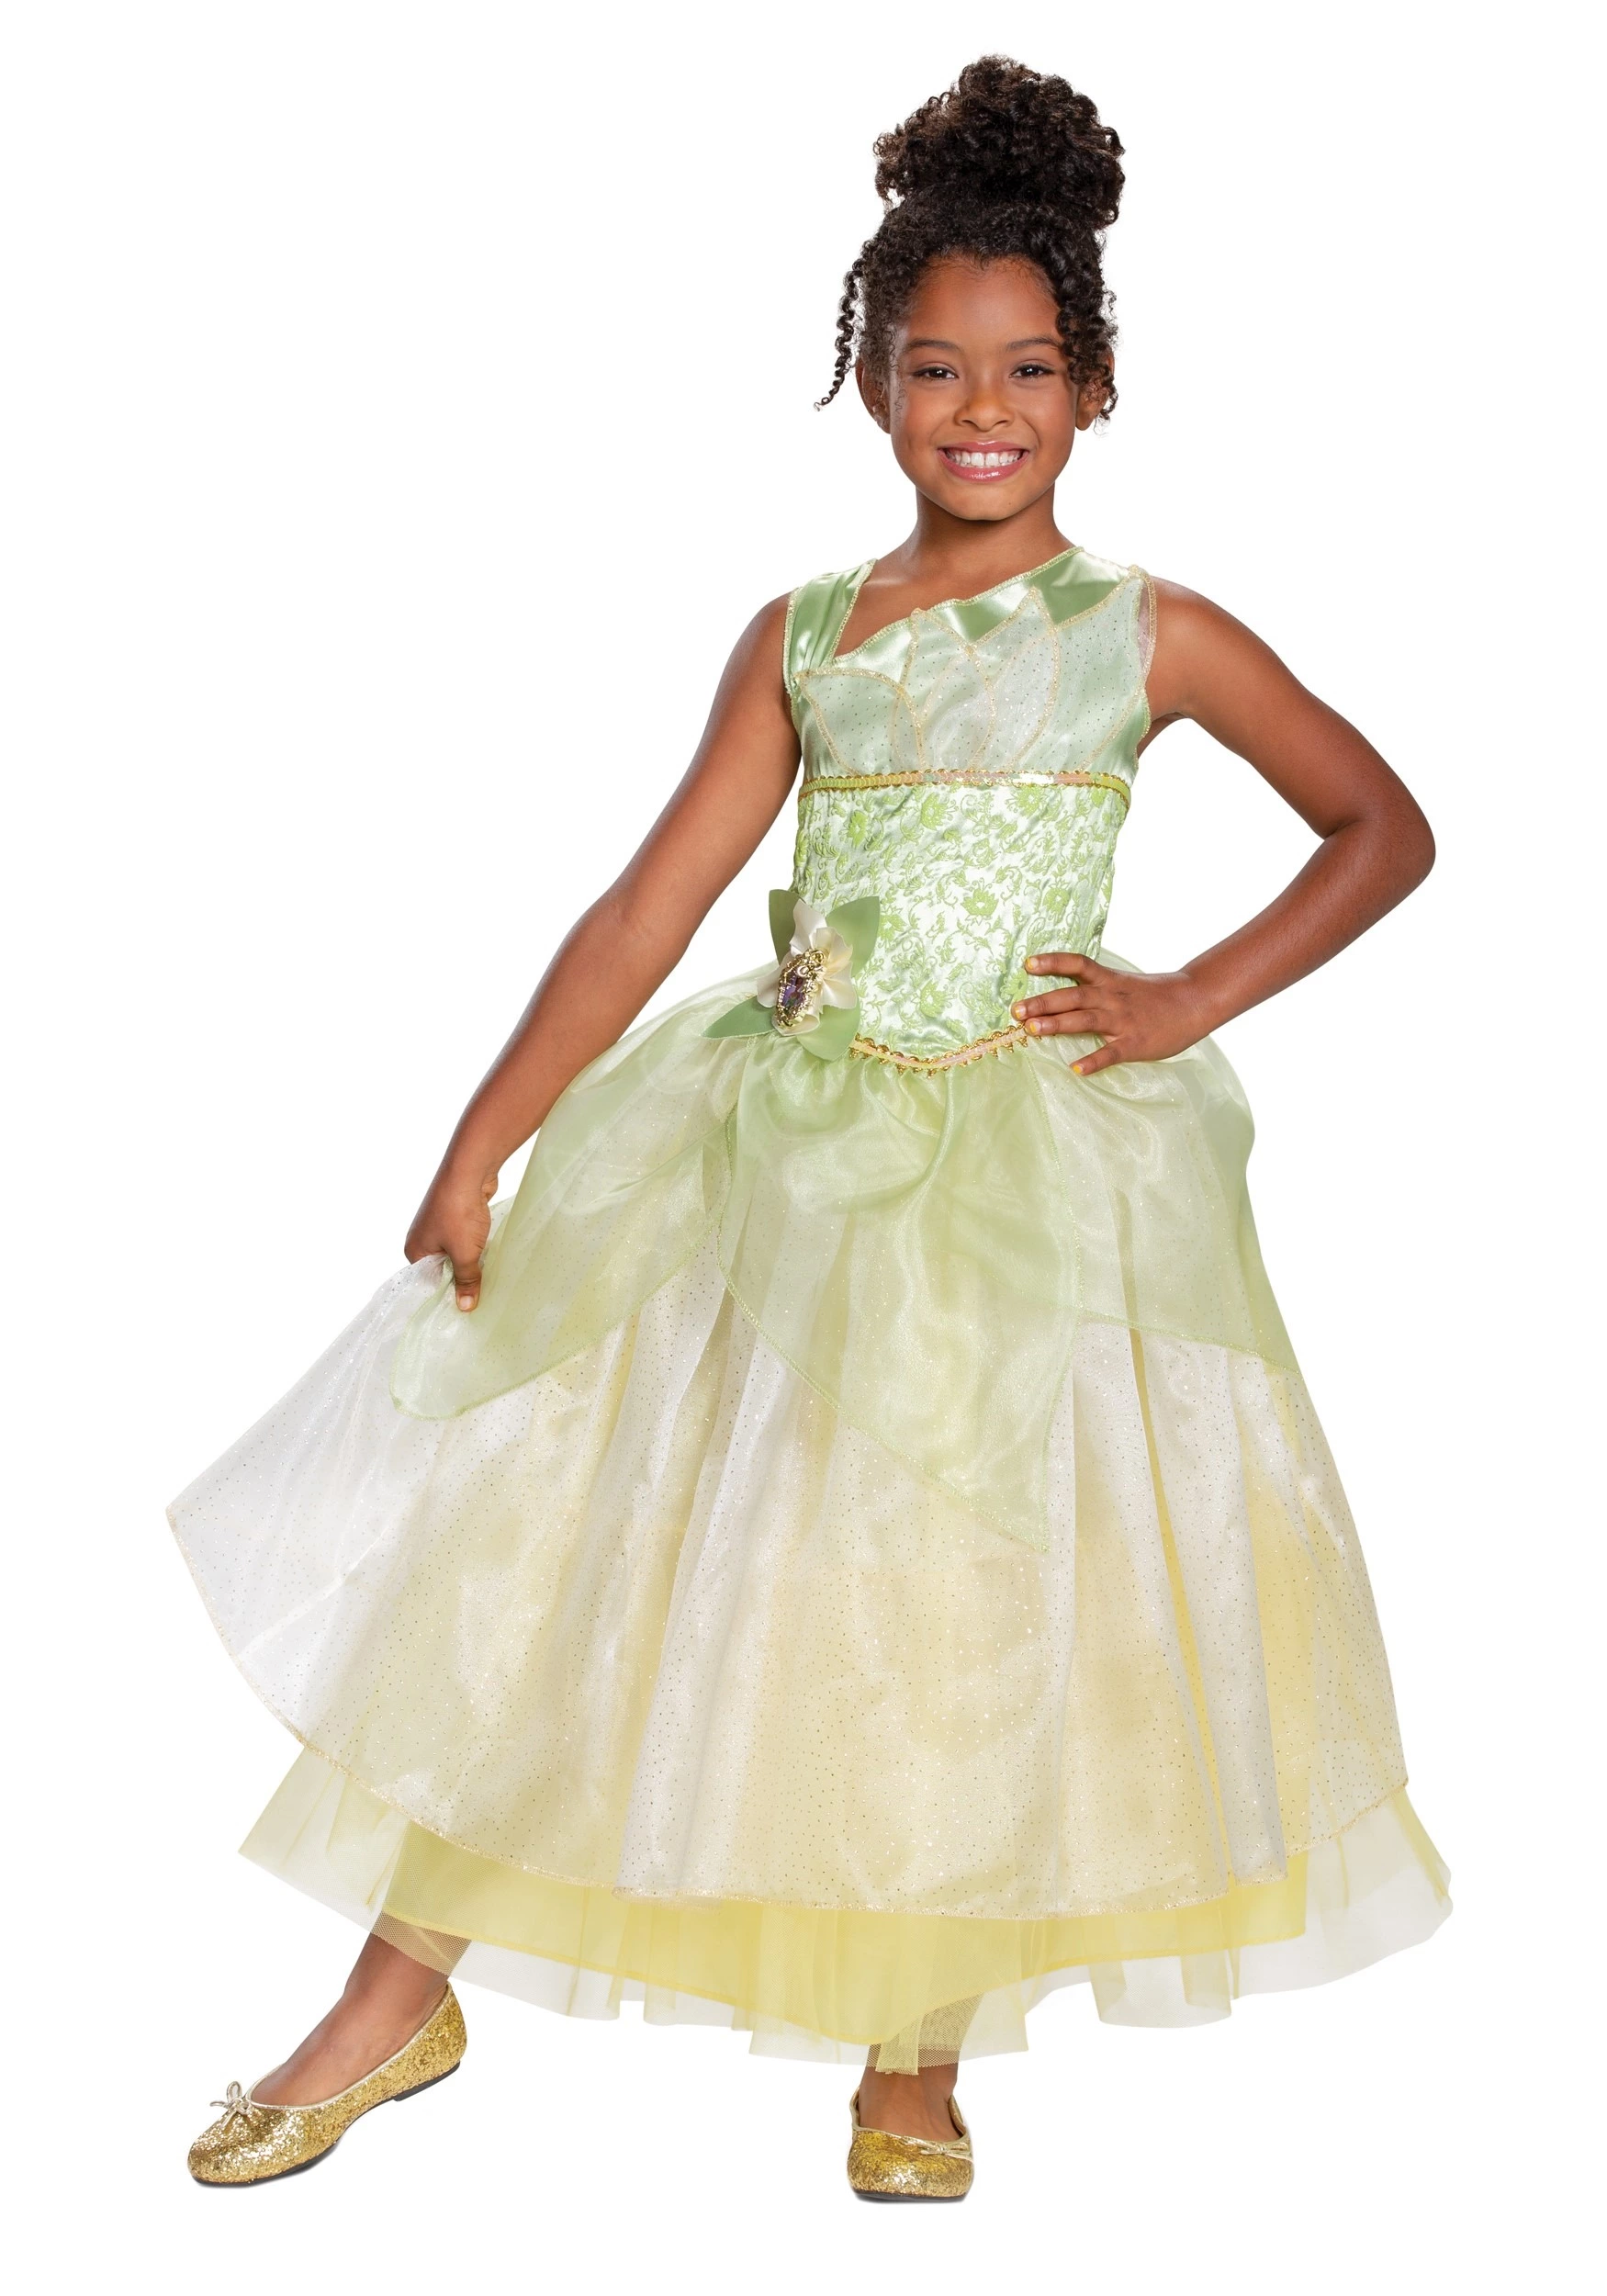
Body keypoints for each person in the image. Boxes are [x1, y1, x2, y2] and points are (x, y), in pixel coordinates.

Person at [174, 55, 1449, 2203]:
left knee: (952, 1588)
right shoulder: (807, 637)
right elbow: (646, 903)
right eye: (934, 366)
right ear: (870, 385)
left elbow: (1378, 826)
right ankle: (393, 1997)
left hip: (1017, 1180)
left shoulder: (1150, 634)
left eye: (1025, 368)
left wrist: (1178, 999)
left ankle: (912, 2043)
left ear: (1094, 387)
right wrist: (483, 1139)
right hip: (771, 1156)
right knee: (587, 1553)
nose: (981, 407)